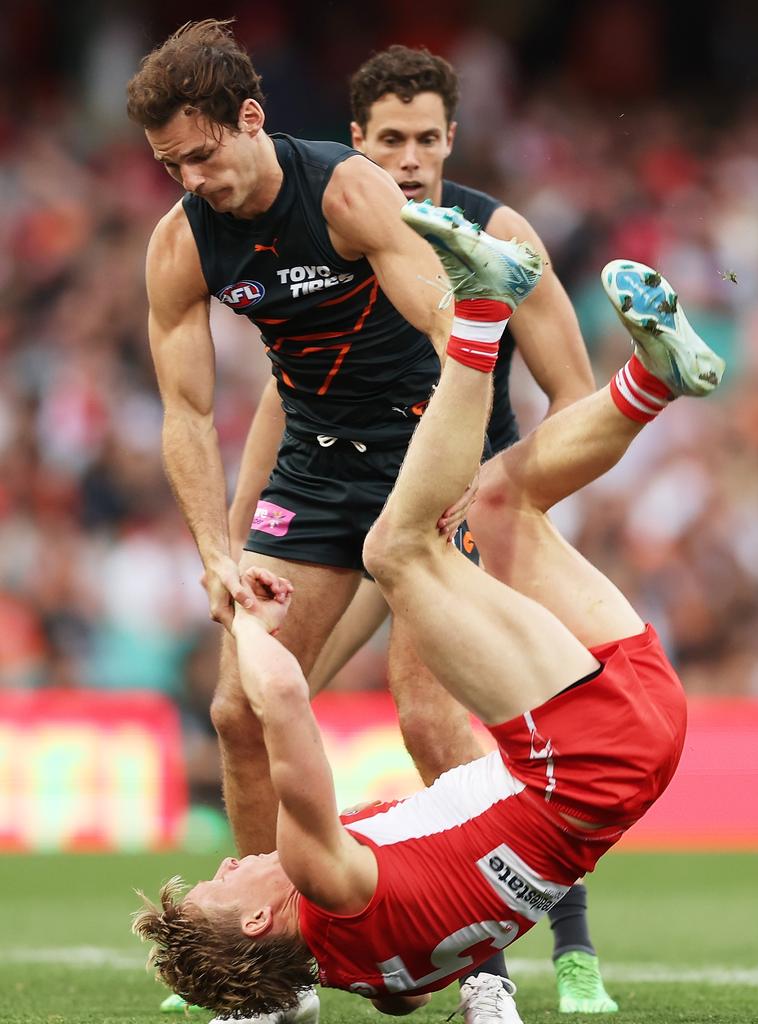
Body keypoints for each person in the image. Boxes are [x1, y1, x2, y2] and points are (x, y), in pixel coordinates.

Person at [131, 210, 726, 1023]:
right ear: (260, 919)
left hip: (635, 751)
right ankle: (483, 308)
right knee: (397, 550)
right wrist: (241, 613)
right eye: (223, 885)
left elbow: (405, 990)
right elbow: (285, 705)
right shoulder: (316, 876)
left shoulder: (366, 975)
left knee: (498, 505)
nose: (231, 866)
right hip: (578, 756)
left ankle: (653, 381)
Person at [126, 26, 590, 1019]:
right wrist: (216, 549)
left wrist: (473, 475)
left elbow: (440, 325)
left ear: (252, 119)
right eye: (172, 165)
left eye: (203, 155)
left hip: (423, 460)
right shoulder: (181, 240)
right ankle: (269, 976)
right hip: (316, 471)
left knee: (426, 716)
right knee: (236, 712)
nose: (193, 179)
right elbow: (187, 411)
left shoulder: (345, 190)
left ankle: (485, 974)